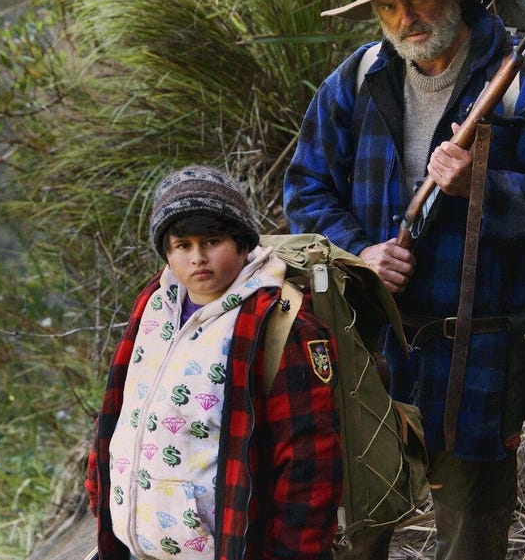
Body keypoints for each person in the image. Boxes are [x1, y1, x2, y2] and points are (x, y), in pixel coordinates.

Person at [283, 0, 525, 560]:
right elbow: (305, 190)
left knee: (473, 536)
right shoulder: (358, 79)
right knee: (356, 531)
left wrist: (483, 183)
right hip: (376, 349)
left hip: (480, 353)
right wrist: (358, 253)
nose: (407, 18)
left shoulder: (522, 81)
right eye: (390, 6)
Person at [86, 165, 343, 560]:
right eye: (182, 245)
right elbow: (120, 408)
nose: (198, 258)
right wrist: (100, 491)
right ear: (166, 252)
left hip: (226, 547)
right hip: (139, 546)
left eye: (212, 240)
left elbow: (309, 460)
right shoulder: (155, 305)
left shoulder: (279, 324)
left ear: (242, 244)